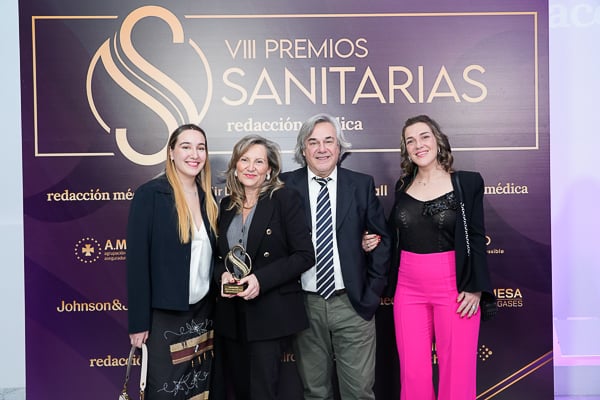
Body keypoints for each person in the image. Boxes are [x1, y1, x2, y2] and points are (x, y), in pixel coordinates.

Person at [363, 114, 495, 399]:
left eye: (424, 136)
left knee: (456, 372)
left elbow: (476, 237)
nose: (418, 144)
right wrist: (369, 240)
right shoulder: (403, 187)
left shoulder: (466, 183)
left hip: (455, 288)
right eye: (410, 140)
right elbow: (391, 234)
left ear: (438, 140)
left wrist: (474, 287)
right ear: (406, 149)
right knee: (413, 374)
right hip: (407, 289)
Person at [281, 113, 391, 400]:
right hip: (304, 304)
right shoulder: (283, 186)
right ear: (302, 149)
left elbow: (382, 240)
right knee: (315, 392)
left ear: (339, 147)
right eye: (313, 141)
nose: (321, 148)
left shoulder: (361, 184)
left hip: (352, 303)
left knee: (359, 393)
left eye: (329, 141)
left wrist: (372, 293)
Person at [214, 134, 315, 400]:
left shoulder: (285, 200)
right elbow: (215, 258)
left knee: (263, 392)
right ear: (235, 165)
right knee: (239, 390)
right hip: (231, 316)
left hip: (269, 313)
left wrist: (261, 279)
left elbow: (305, 255)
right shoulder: (225, 206)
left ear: (269, 168)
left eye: (258, 161)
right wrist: (221, 275)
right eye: (244, 160)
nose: (250, 167)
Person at [126, 124, 219, 399]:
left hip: (203, 314)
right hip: (164, 317)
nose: (195, 154)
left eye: (200, 147)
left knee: (197, 389)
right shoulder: (150, 195)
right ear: (171, 152)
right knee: (165, 391)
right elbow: (137, 264)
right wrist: (138, 323)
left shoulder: (208, 198)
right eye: (186, 146)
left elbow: (211, 258)